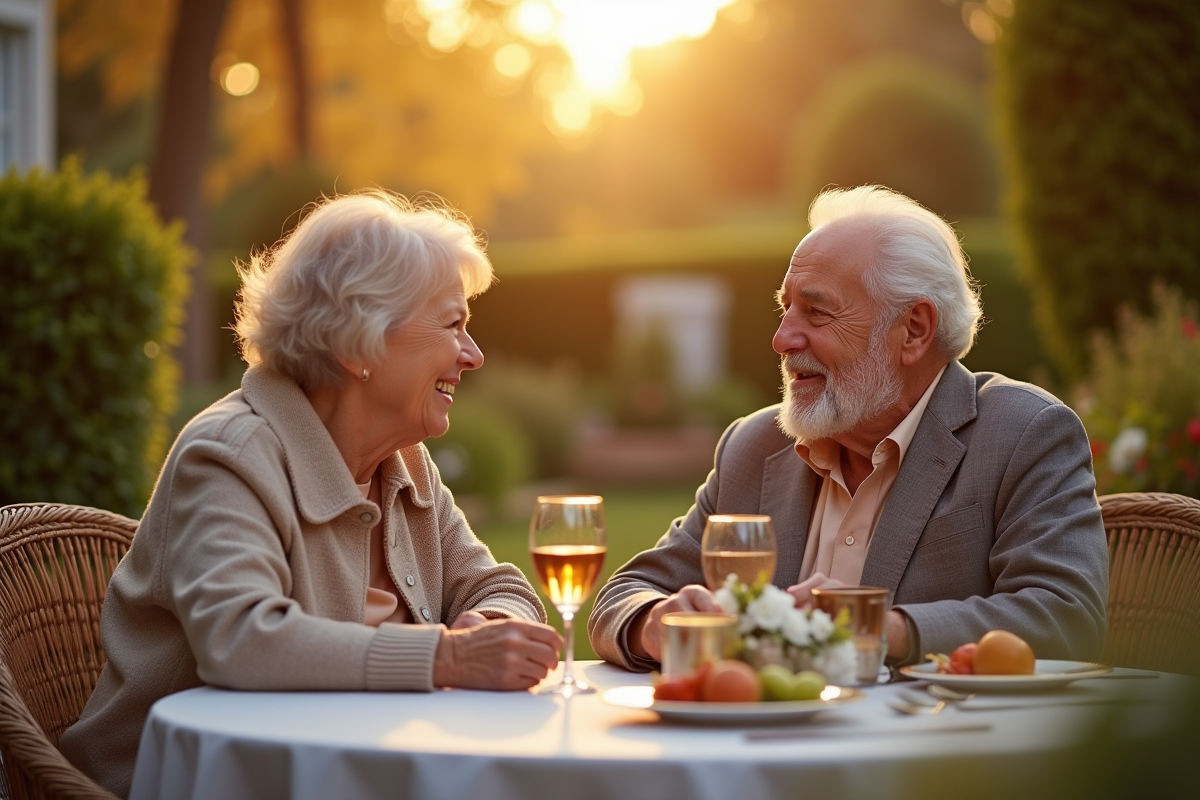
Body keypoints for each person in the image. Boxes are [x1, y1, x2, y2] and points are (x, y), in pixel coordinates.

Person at [61, 191, 563, 797]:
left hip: (350, 773)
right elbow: (241, 639)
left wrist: (494, 628)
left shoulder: (404, 461)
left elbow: (498, 586)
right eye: (453, 324)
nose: (473, 355)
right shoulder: (229, 455)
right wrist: (449, 658)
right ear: (358, 344)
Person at [589, 185, 1108, 672]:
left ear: (914, 330)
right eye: (785, 308)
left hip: (937, 738)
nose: (782, 338)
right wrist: (652, 623)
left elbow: (1066, 617)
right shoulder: (754, 445)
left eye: (816, 312)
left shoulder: (1024, 433)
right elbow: (625, 594)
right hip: (768, 735)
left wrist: (876, 627)